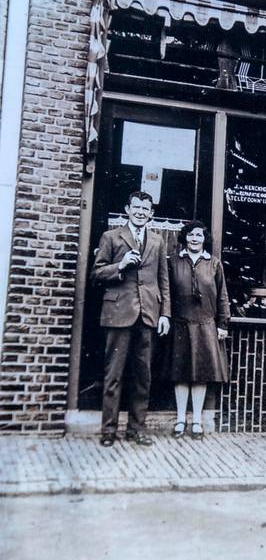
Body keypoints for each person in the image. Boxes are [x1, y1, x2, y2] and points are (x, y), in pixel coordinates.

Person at [91, 191, 170, 447]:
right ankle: (108, 431)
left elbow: (163, 281)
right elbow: (97, 273)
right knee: (113, 375)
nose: (140, 212)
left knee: (142, 376)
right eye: (136, 207)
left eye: (145, 208)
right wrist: (121, 265)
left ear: (151, 213)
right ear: (127, 208)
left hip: (147, 315)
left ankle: (137, 429)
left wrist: (165, 314)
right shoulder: (111, 237)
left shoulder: (158, 241)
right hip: (118, 314)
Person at [167, 220, 230, 440]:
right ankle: (181, 419)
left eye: (199, 235)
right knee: (181, 374)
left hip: (205, 325)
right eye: (191, 235)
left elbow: (222, 295)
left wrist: (223, 323)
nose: (195, 239)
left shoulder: (214, 264)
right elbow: (166, 294)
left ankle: (196, 422)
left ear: (205, 239)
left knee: (200, 374)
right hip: (180, 324)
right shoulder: (173, 262)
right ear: (185, 238)